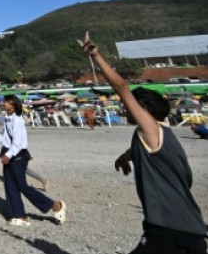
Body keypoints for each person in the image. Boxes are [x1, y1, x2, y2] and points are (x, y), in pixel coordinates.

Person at [82, 33, 206, 253]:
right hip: (189, 230)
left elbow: (121, 87)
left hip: (169, 230)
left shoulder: (150, 128)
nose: (125, 108)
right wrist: (125, 157)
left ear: (145, 110)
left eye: (132, 106)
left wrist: (96, 56)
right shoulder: (160, 137)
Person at [0, 95, 66, 227]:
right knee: (10, 186)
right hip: (7, 153)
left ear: (13, 105)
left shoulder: (18, 121)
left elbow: (17, 143)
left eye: (6, 102)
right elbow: (3, 135)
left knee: (23, 186)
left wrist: (9, 155)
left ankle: (55, 205)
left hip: (17, 156)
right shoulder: (8, 118)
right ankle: (19, 215)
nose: (3, 104)